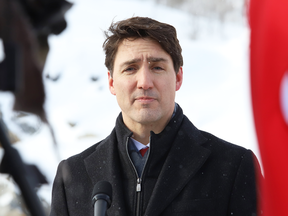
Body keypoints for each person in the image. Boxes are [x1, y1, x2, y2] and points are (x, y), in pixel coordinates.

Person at [50, 17, 260, 216]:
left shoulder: (234, 167)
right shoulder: (72, 176)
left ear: (178, 77)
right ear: (112, 82)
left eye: (157, 67)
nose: (144, 82)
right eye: (130, 68)